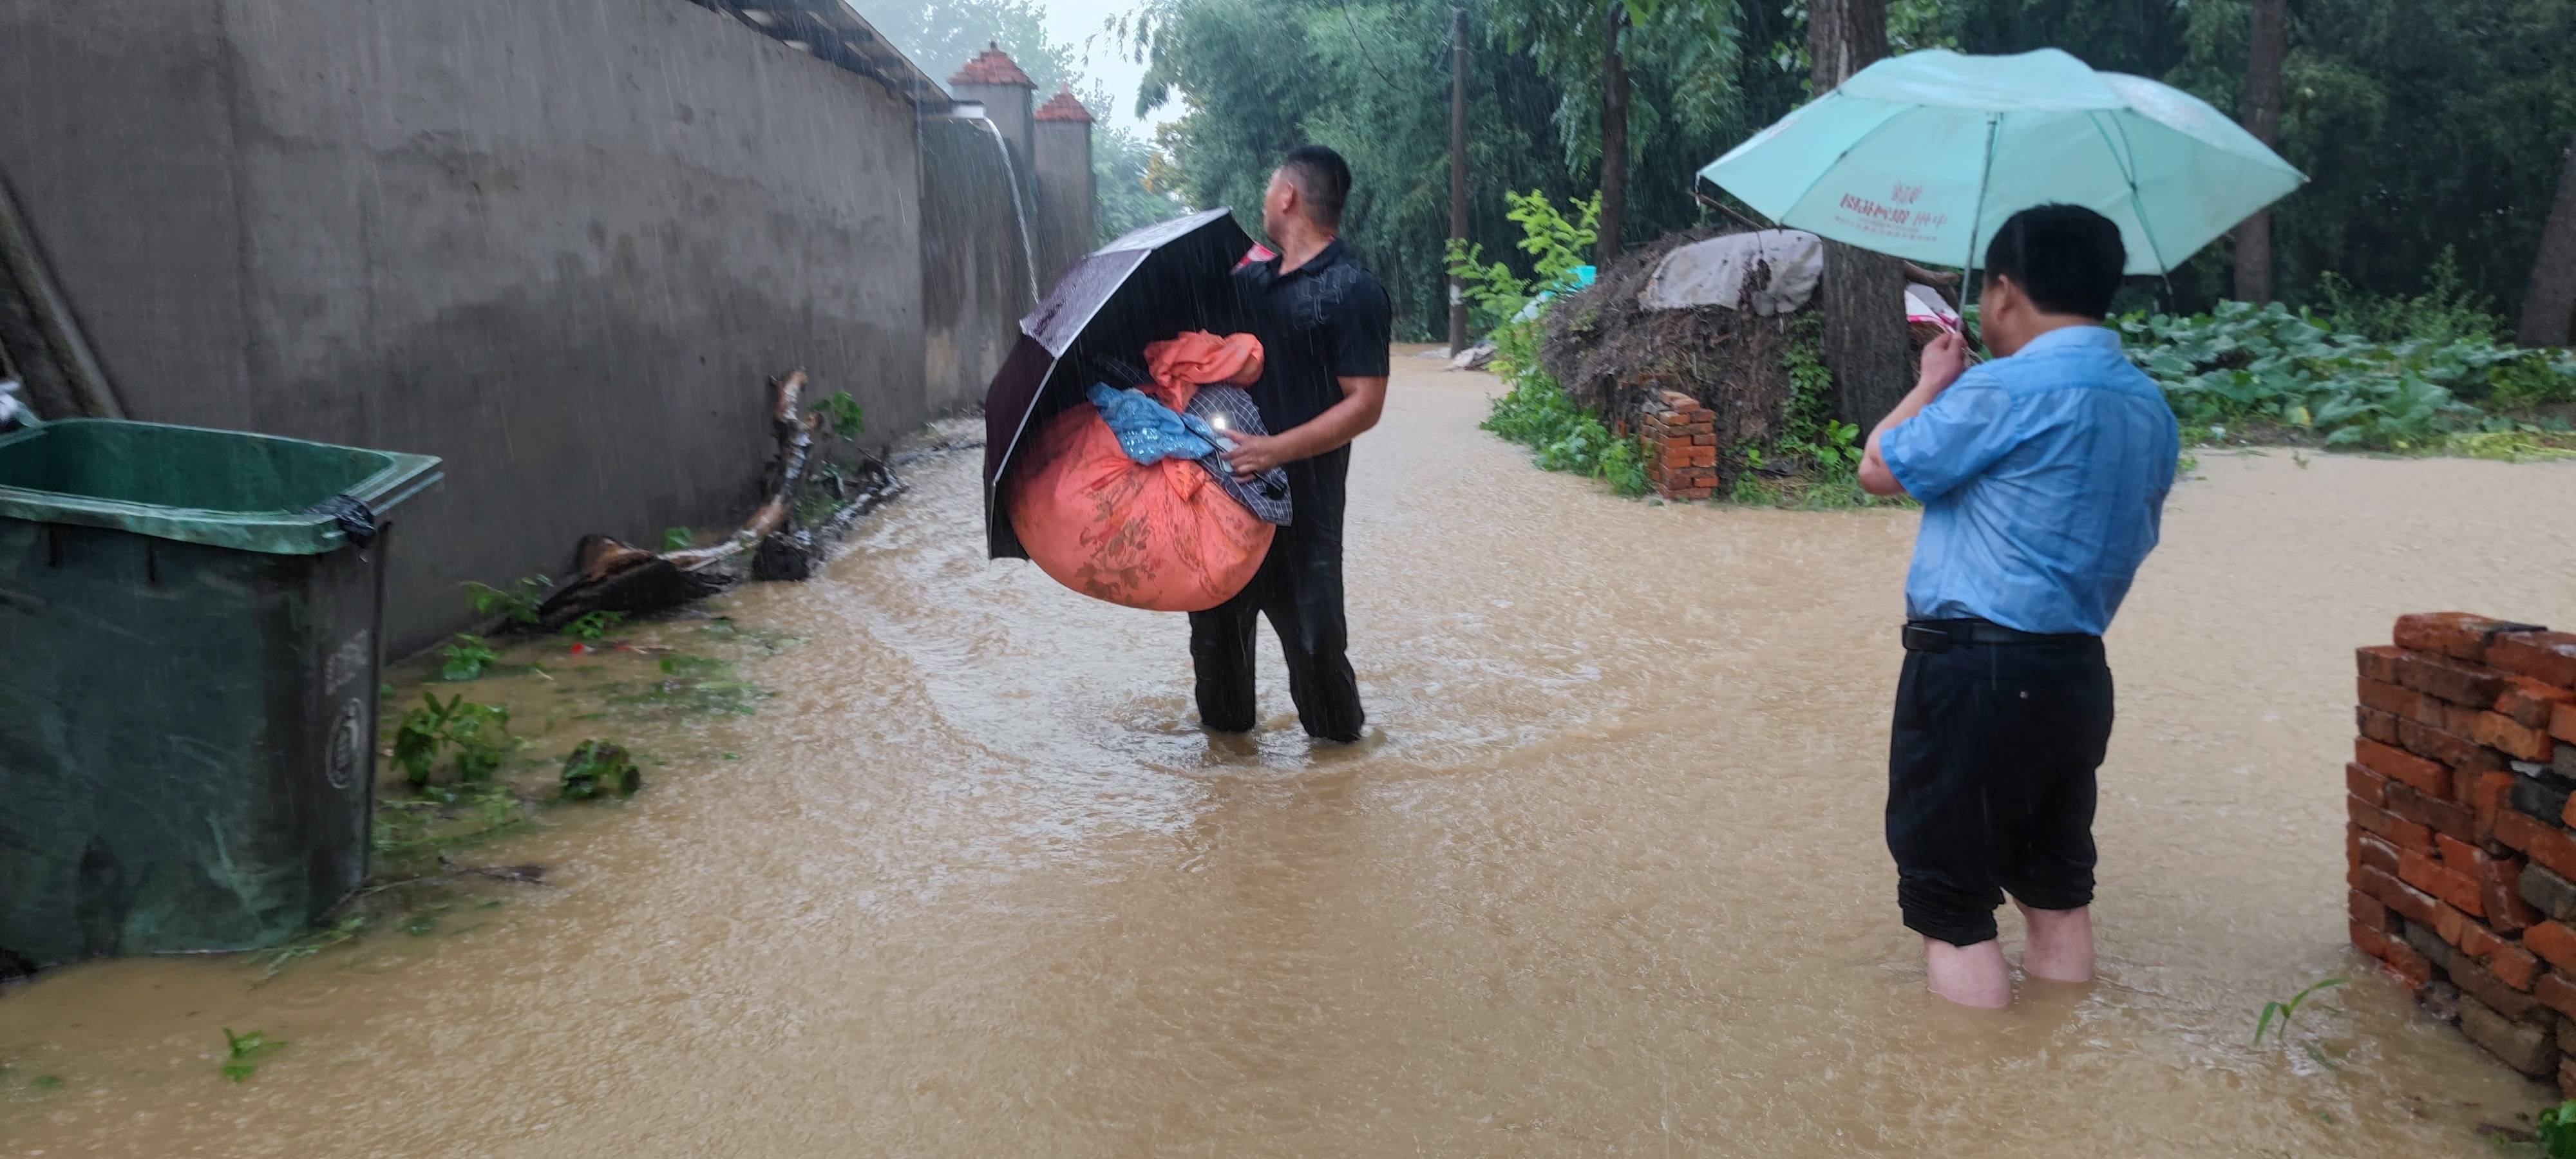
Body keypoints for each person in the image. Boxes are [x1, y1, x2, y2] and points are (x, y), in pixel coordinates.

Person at [1856, 203, 2180, 1008]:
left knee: (1952, 902)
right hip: (2073, 672)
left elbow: (1876, 468)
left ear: (2002, 293)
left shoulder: (2003, 389)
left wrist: (1932, 384)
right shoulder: (2148, 404)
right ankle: (2051, 1071)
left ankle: (1974, 1101)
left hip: (1973, 671)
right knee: (2054, 887)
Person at [1189, 145, 1392, 743]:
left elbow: (1366, 404)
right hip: (1226, 506)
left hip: (1307, 516)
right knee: (1217, 671)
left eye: (1269, 187)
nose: (1264, 198)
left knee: (1320, 670)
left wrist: (1275, 449)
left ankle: (1334, 812)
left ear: (1288, 197)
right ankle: (1233, 814)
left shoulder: (1354, 291)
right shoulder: (1247, 284)